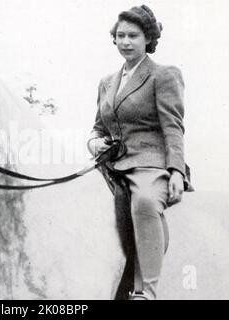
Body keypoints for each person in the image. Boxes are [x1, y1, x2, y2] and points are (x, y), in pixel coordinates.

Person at [87, 4, 193, 300]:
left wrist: (175, 171)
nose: (125, 42)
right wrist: (93, 143)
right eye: (120, 35)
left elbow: (173, 127)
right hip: (110, 165)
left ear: (148, 38)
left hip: (150, 163)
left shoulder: (164, 75)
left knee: (145, 201)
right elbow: (98, 128)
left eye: (133, 35)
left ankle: (146, 292)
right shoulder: (106, 82)